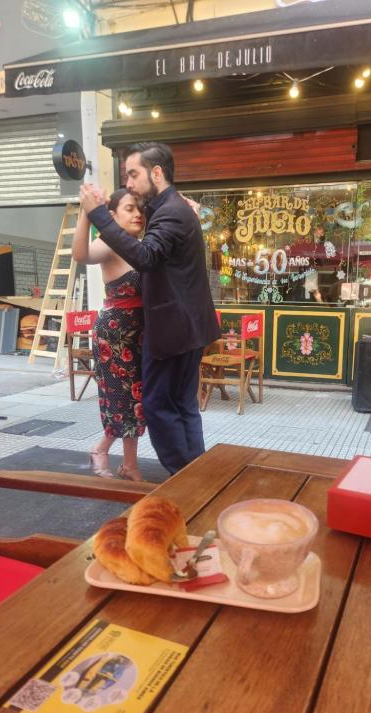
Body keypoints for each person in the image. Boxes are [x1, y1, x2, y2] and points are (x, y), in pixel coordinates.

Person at [79, 142, 220, 475]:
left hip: (172, 332)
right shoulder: (171, 209)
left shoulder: (171, 210)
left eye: (133, 174)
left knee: (159, 406)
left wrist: (98, 213)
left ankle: (182, 477)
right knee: (183, 406)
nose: (128, 182)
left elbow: (145, 257)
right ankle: (193, 474)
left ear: (156, 173)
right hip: (186, 330)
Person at [72, 189, 147, 481]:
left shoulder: (139, 246)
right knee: (123, 400)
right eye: (129, 208)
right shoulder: (110, 244)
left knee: (135, 400)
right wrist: (86, 213)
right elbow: (81, 255)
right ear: (112, 215)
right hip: (115, 335)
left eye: (139, 208)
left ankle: (123, 461)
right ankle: (115, 457)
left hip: (136, 335)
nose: (137, 213)